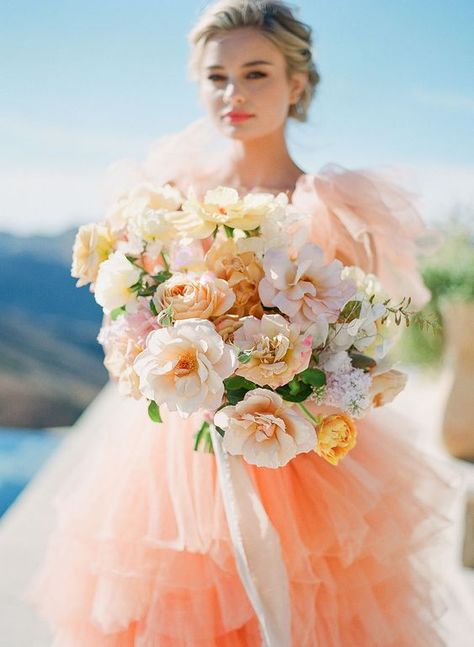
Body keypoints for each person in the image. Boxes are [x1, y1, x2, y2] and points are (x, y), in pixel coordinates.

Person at [26, 1, 461, 645]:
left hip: (303, 454)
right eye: (216, 76)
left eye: (256, 73)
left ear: (297, 83)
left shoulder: (333, 207)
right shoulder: (169, 199)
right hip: (176, 458)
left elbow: (364, 339)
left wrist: (294, 376)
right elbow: (136, 314)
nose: (233, 93)